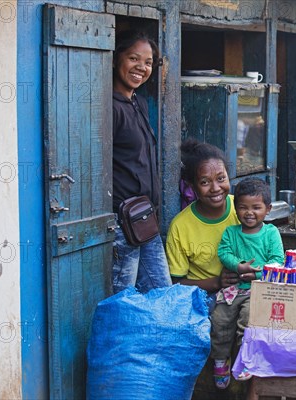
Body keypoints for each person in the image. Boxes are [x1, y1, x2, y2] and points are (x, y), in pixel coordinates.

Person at [111, 30, 171, 294]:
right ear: (116, 59)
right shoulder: (109, 106)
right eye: (134, 58)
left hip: (144, 218)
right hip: (121, 220)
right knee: (123, 299)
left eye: (148, 63)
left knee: (162, 292)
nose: (141, 68)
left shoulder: (139, 103)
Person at [211, 178, 284, 389]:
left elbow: (277, 261)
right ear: (235, 209)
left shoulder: (271, 233)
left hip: (258, 291)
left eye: (256, 208)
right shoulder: (231, 233)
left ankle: (245, 361)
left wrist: (258, 275)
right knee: (219, 322)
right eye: (243, 207)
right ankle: (220, 360)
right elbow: (224, 253)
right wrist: (238, 266)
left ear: (267, 210)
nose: (249, 213)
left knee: (248, 322)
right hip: (232, 291)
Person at [166, 139, 260, 294]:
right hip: (205, 298)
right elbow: (177, 283)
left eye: (221, 178)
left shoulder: (243, 211)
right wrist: (216, 282)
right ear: (191, 185)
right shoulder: (180, 226)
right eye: (205, 182)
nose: (215, 188)